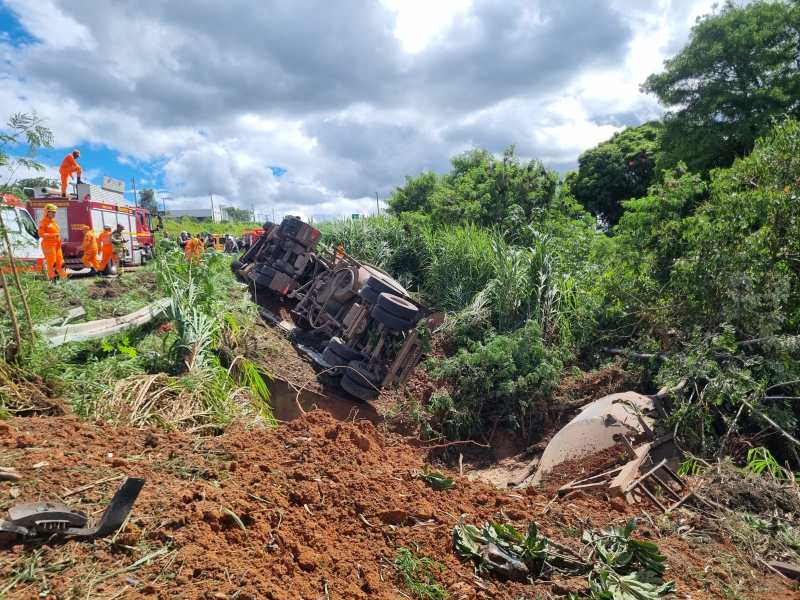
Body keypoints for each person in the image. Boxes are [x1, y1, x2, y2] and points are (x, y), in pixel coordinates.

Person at [38, 203, 66, 281]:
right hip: (48, 246)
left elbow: (57, 233)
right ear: (47, 212)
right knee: (52, 263)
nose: (54, 214)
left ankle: (64, 279)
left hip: (57, 246)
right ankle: (52, 280)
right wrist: (53, 235)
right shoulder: (43, 222)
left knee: (61, 263)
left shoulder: (53, 222)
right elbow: (41, 234)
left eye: (55, 212)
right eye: (52, 212)